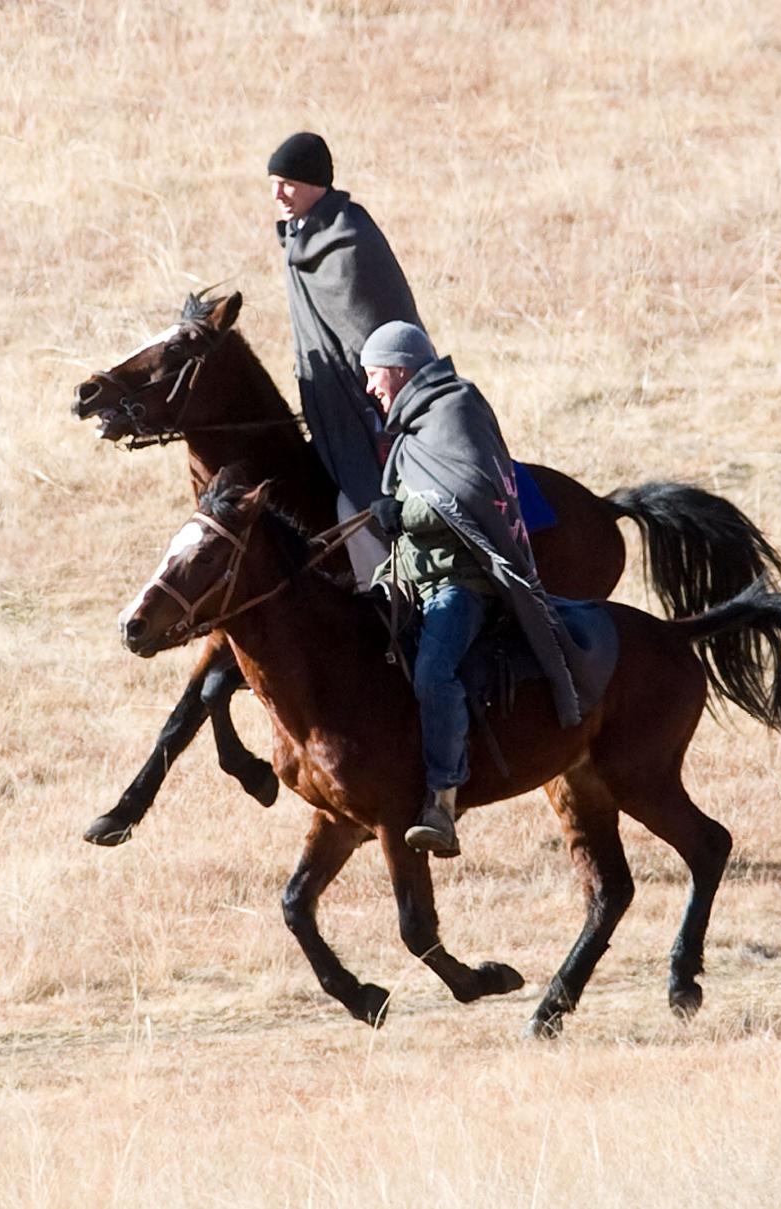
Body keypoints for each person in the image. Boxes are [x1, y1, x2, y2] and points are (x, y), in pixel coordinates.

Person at [361, 321, 586, 859]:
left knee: (435, 672)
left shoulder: (455, 410)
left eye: (373, 376)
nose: (371, 388)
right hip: (413, 578)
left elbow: (470, 492)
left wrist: (404, 511)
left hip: (462, 584)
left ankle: (442, 798)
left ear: (397, 367)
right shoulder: (411, 426)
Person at [267, 131, 424, 586]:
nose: (278, 194)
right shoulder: (299, 239)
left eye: (288, 183)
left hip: (374, 411)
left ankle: (394, 600)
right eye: (273, 183)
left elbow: (380, 341)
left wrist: (385, 415)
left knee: (354, 508)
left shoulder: (349, 241)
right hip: (332, 413)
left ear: (315, 183)